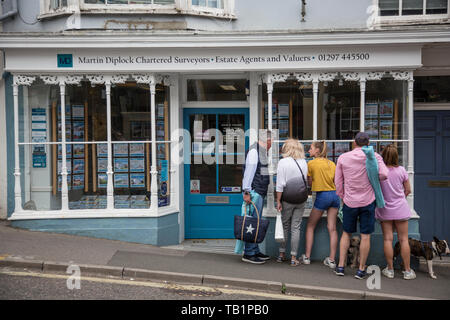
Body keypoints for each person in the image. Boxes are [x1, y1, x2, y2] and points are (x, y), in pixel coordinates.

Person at [334, 132, 388, 279]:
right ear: (368, 143)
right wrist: (371, 177)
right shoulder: (374, 156)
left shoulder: (343, 158)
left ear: (354, 142)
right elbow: (384, 174)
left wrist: (342, 195)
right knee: (365, 236)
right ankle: (361, 269)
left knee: (346, 233)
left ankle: (340, 266)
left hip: (350, 201)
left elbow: (338, 182)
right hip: (368, 201)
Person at [376, 144, 416, 280]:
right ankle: (407, 271)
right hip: (400, 209)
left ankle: (390, 270)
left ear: (383, 156)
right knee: (404, 239)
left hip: (384, 209)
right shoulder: (402, 170)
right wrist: (399, 199)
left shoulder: (380, 172)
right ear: (396, 156)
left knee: (388, 238)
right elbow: (408, 190)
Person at [302, 141, 340, 269]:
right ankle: (332, 260)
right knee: (332, 228)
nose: (309, 150)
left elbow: (309, 182)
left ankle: (307, 257)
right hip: (335, 196)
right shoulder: (332, 163)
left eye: (311, 148)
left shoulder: (311, 163)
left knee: (311, 226)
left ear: (317, 151)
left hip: (322, 196)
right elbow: (336, 181)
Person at [275, 139, 308, 266]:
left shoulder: (283, 162)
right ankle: (294, 258)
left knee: (285, 226)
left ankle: (282, 254)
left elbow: (280, 184)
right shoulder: (303, 162)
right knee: (296, 228)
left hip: (287, 199)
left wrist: (278, 200)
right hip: (301, 199)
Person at [241, 130, 272, 264]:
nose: (272, 145)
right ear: (268, 140)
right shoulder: (254, 151)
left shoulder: (260, 151)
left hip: (258, 191)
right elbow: (249, 173)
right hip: (254, 192)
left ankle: (254, 250)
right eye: (272, 142)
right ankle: (249, 253)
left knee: (255, 222)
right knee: (251, 223)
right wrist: (246, 192)